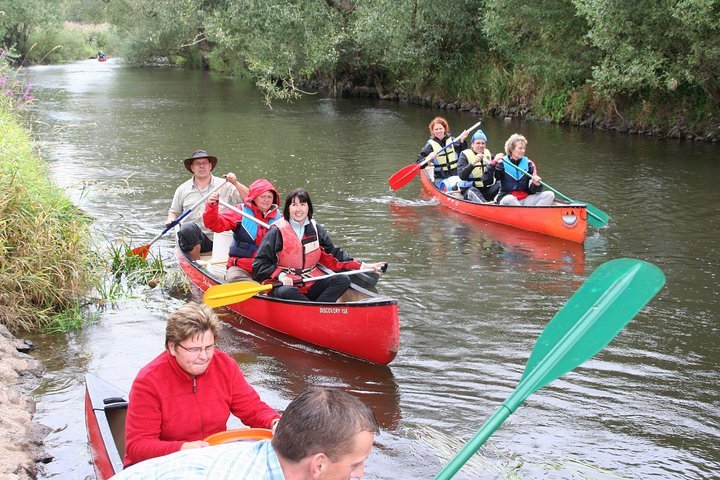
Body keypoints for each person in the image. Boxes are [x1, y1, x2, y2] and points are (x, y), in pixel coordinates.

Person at [123, 302, 281, 467]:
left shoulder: (225, 365)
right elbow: (137, 446)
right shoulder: (148, 381)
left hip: (208, 457)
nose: (204, 356)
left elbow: (252, 408)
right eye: (194, 349)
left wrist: (274, 422)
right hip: (162, 464)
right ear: (172, 347)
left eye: (209, 347)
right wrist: (183, 448)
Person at [112, 387, 378, 479]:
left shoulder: (269, 456)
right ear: (318, 463)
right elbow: (136, 446)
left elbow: (249, 404)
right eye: (355, 464)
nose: (360, 473)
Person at [252, 188, 386, 302]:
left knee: (342, 280)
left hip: (310, 282)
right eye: (294, 205)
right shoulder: (276, 231)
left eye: (303, 204)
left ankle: (317, 309)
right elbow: (259, 266)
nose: (299, 209)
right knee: (286, 292)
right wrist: (281, 276)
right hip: (285, 285)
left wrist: (364, 265)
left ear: (308, 207)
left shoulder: (315, 228)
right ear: (288, 208)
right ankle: (314, 309)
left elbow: (335, 254)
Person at [167, 150, 249, 260]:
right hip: (198, 239)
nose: (201, 166)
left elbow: (250, 200)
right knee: (186, 229)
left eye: (204, 163)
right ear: (192, 168)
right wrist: (170, 220)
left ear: (210, 166)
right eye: (197, 164)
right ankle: (197, 265)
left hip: (222, 237)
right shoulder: (182, 190)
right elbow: (174, 213)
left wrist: (235, 183)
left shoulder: (224, 184)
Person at [203, 178, 282, 282]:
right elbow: (214, 225)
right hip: (241, 268)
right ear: (254, 197)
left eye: (269, 197)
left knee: (283, 283)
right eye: (262, 196)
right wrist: (211, 206)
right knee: (234, 278)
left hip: (267, 267)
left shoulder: (280, 218)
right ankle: (257, 291)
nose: (266, 200)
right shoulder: (239, 212)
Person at [482, 133, 555, 206]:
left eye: (524, 148)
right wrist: (493, 163)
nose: (523, 151)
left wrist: (536, 185)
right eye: (520, 148)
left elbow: (533, 191)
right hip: (506, 200)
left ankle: (530, 215)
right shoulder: (501, 164)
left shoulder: (529, 164)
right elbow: (487, 182)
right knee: (510, 199)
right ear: (511, 148)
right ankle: (526, 215)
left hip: (525, 199)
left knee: (550, 195)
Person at [456, 129, 500, 203]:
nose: (481, 146)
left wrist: (499, 162)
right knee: (472, 191)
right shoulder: (464, 155)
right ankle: (487, 207)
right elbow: (461, 175)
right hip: (470, 188)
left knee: (501, 184)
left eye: (483, 143)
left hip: (486, 188)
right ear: (472, 144)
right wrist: (473, 163)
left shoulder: (488, 154)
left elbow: (498, 172)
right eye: (478, 143)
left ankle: (498, 204)